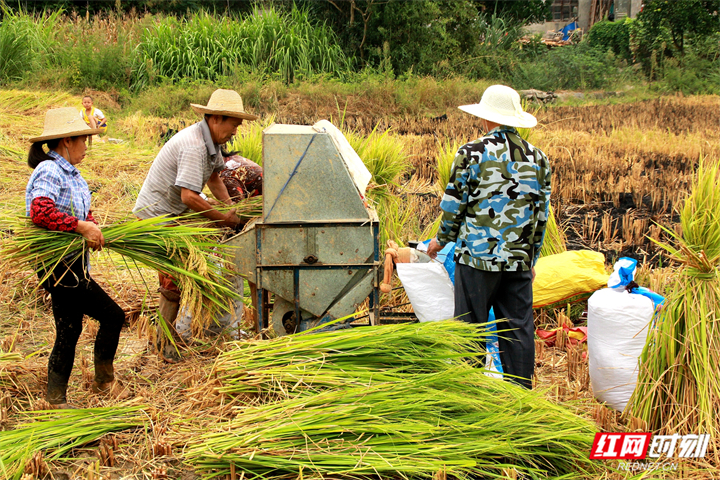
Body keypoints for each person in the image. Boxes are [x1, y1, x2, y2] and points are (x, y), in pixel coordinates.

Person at [427, 85, 551, 389]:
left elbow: (455, 204)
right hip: (518, 261)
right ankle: (521, 398)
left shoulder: (471, 153)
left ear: (486, 119)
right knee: (518, 330)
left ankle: (470, 393)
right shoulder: (539, 159)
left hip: (476, 260)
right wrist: (531, 258)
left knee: (471, 328)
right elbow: (541, 215)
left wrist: (441, 240)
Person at [132, 88, 257, 362]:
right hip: (158, 216)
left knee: (190, 264)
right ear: (216, 119)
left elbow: (213, 177)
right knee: (174, 277)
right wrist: (223, 218)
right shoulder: (194, 146)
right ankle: (162, 346)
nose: (235, 131)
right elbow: (188, 196)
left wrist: (227, 206)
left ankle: (173, 337)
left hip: (173, 214)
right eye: (233, 124)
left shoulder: (210, 144)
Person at [26, 107, 127, 408]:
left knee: (69, 329)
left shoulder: (73, 174)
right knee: (113, 316)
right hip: (60, 267)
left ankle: (55, 398)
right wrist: (80, 226)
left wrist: (91, 226)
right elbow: (40, 210)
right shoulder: (50, 170)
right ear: (67, 141)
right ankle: (104, 382)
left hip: (72, 264)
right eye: (84, 139)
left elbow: (78, 211)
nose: (87, 146)